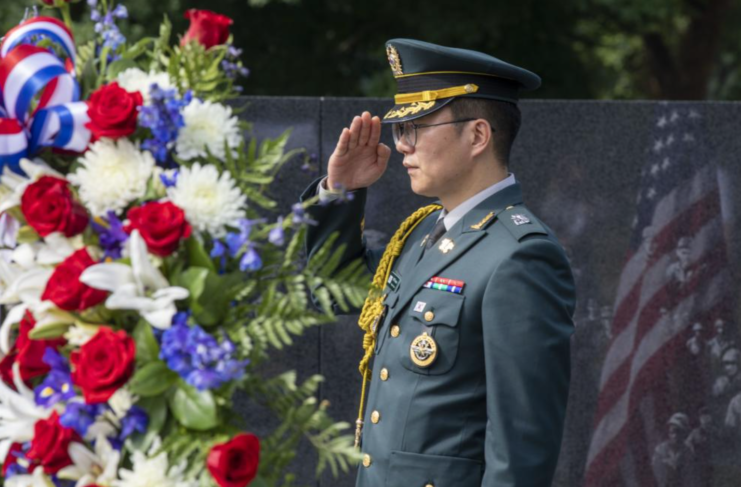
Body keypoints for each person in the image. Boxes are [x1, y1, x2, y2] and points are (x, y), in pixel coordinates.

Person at [301, 39, 576, 486]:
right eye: (400, 130)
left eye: (417, 128)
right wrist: (339, 193)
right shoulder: (422, 236)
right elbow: (330, 292)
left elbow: (520, 453)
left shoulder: (521, 254)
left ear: (478, 136)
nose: (404, 147)